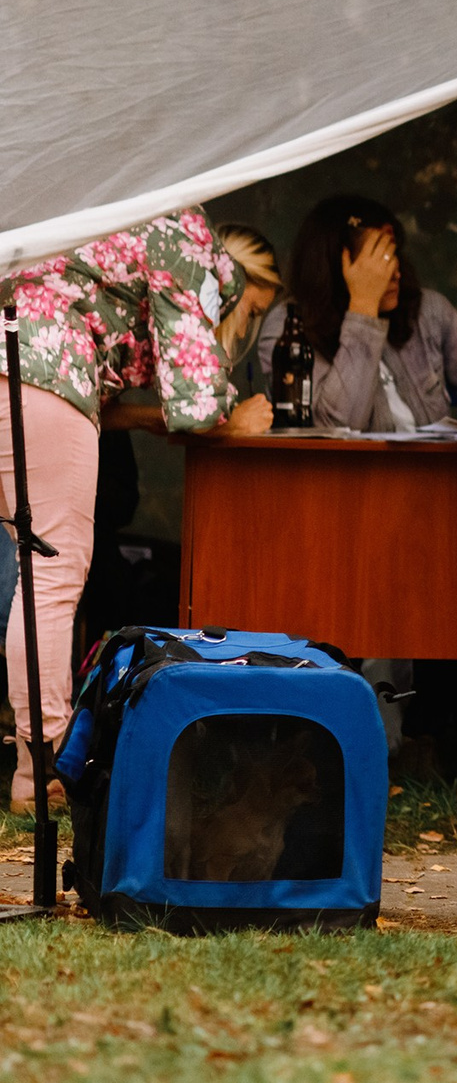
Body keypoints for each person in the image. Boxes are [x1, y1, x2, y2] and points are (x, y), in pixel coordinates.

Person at [0, 211, 276, 806]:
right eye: (252, 314)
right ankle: (46, 771)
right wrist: (236, 415)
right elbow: (197, 404)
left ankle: (34, 768)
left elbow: (103, 401)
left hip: (17, 359)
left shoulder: (120, 210)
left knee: (29, 572)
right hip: (38, 368)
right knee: (48, 573)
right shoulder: (187, 236)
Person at [257, 195, 457, 431]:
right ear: (336, 264)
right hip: (351, 468)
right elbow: (333, 428)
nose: (394, 271)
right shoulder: (288, 326)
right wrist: (363, 307)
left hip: (436, 467)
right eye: (380, 258)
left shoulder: (429, 311)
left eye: (394, 255)